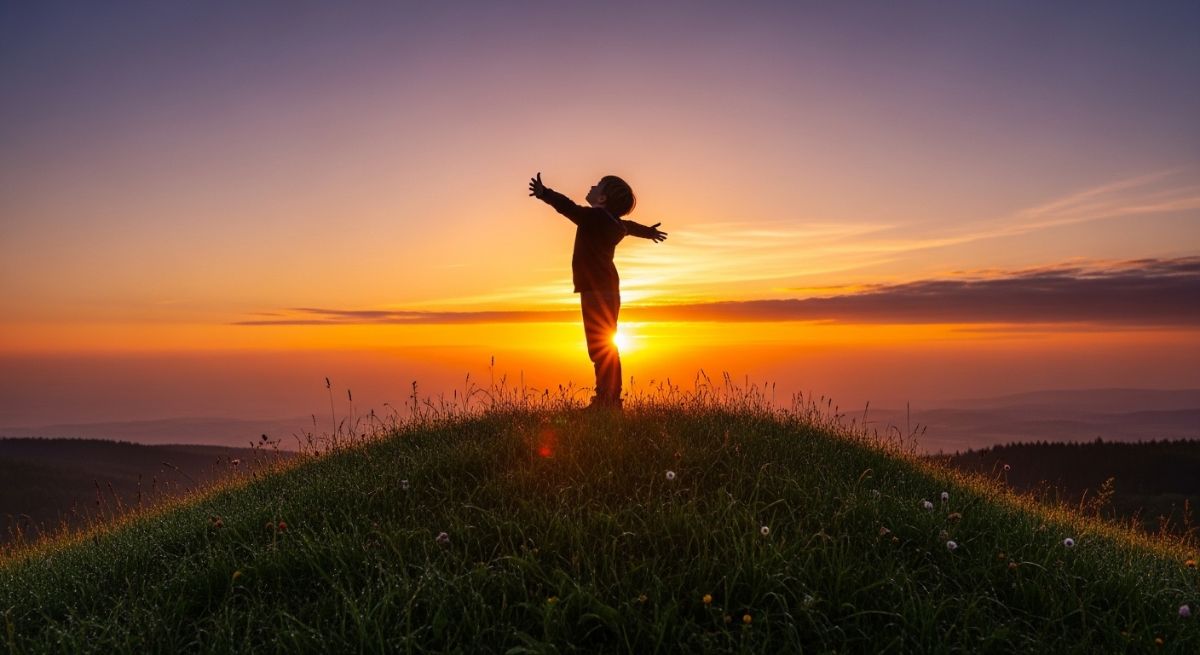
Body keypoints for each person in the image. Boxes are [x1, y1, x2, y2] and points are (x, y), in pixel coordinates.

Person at [528, 172, 667, 409]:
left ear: (602, 198)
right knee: (607, 344)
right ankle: (611, 398)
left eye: (597, 185)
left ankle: (605, 400)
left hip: (595, 290)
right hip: (609, 289)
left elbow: (568, 207)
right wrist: (650, 232)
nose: (592, 186)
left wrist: (545, 193)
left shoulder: (593, 217)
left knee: (599, 347)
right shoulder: (616, 224)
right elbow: (631, 227)